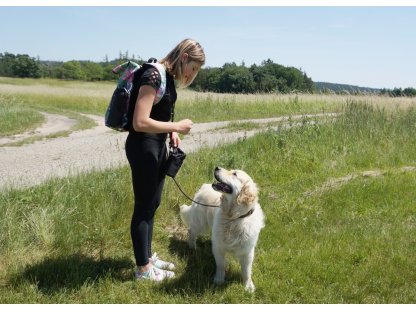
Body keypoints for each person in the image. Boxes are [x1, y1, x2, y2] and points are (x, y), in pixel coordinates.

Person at [125, 39, 205, 281]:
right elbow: (140, 121)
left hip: (157, 145)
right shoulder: (153, 75)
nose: (193, 74)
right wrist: (177, 126)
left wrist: (170, 132)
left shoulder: (167, 77)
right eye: (194, 67)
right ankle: (142, 270)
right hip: (143, 147)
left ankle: (147, 258)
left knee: (153, 203)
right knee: (143, 207)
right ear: (184, 58)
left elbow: (158, 111)